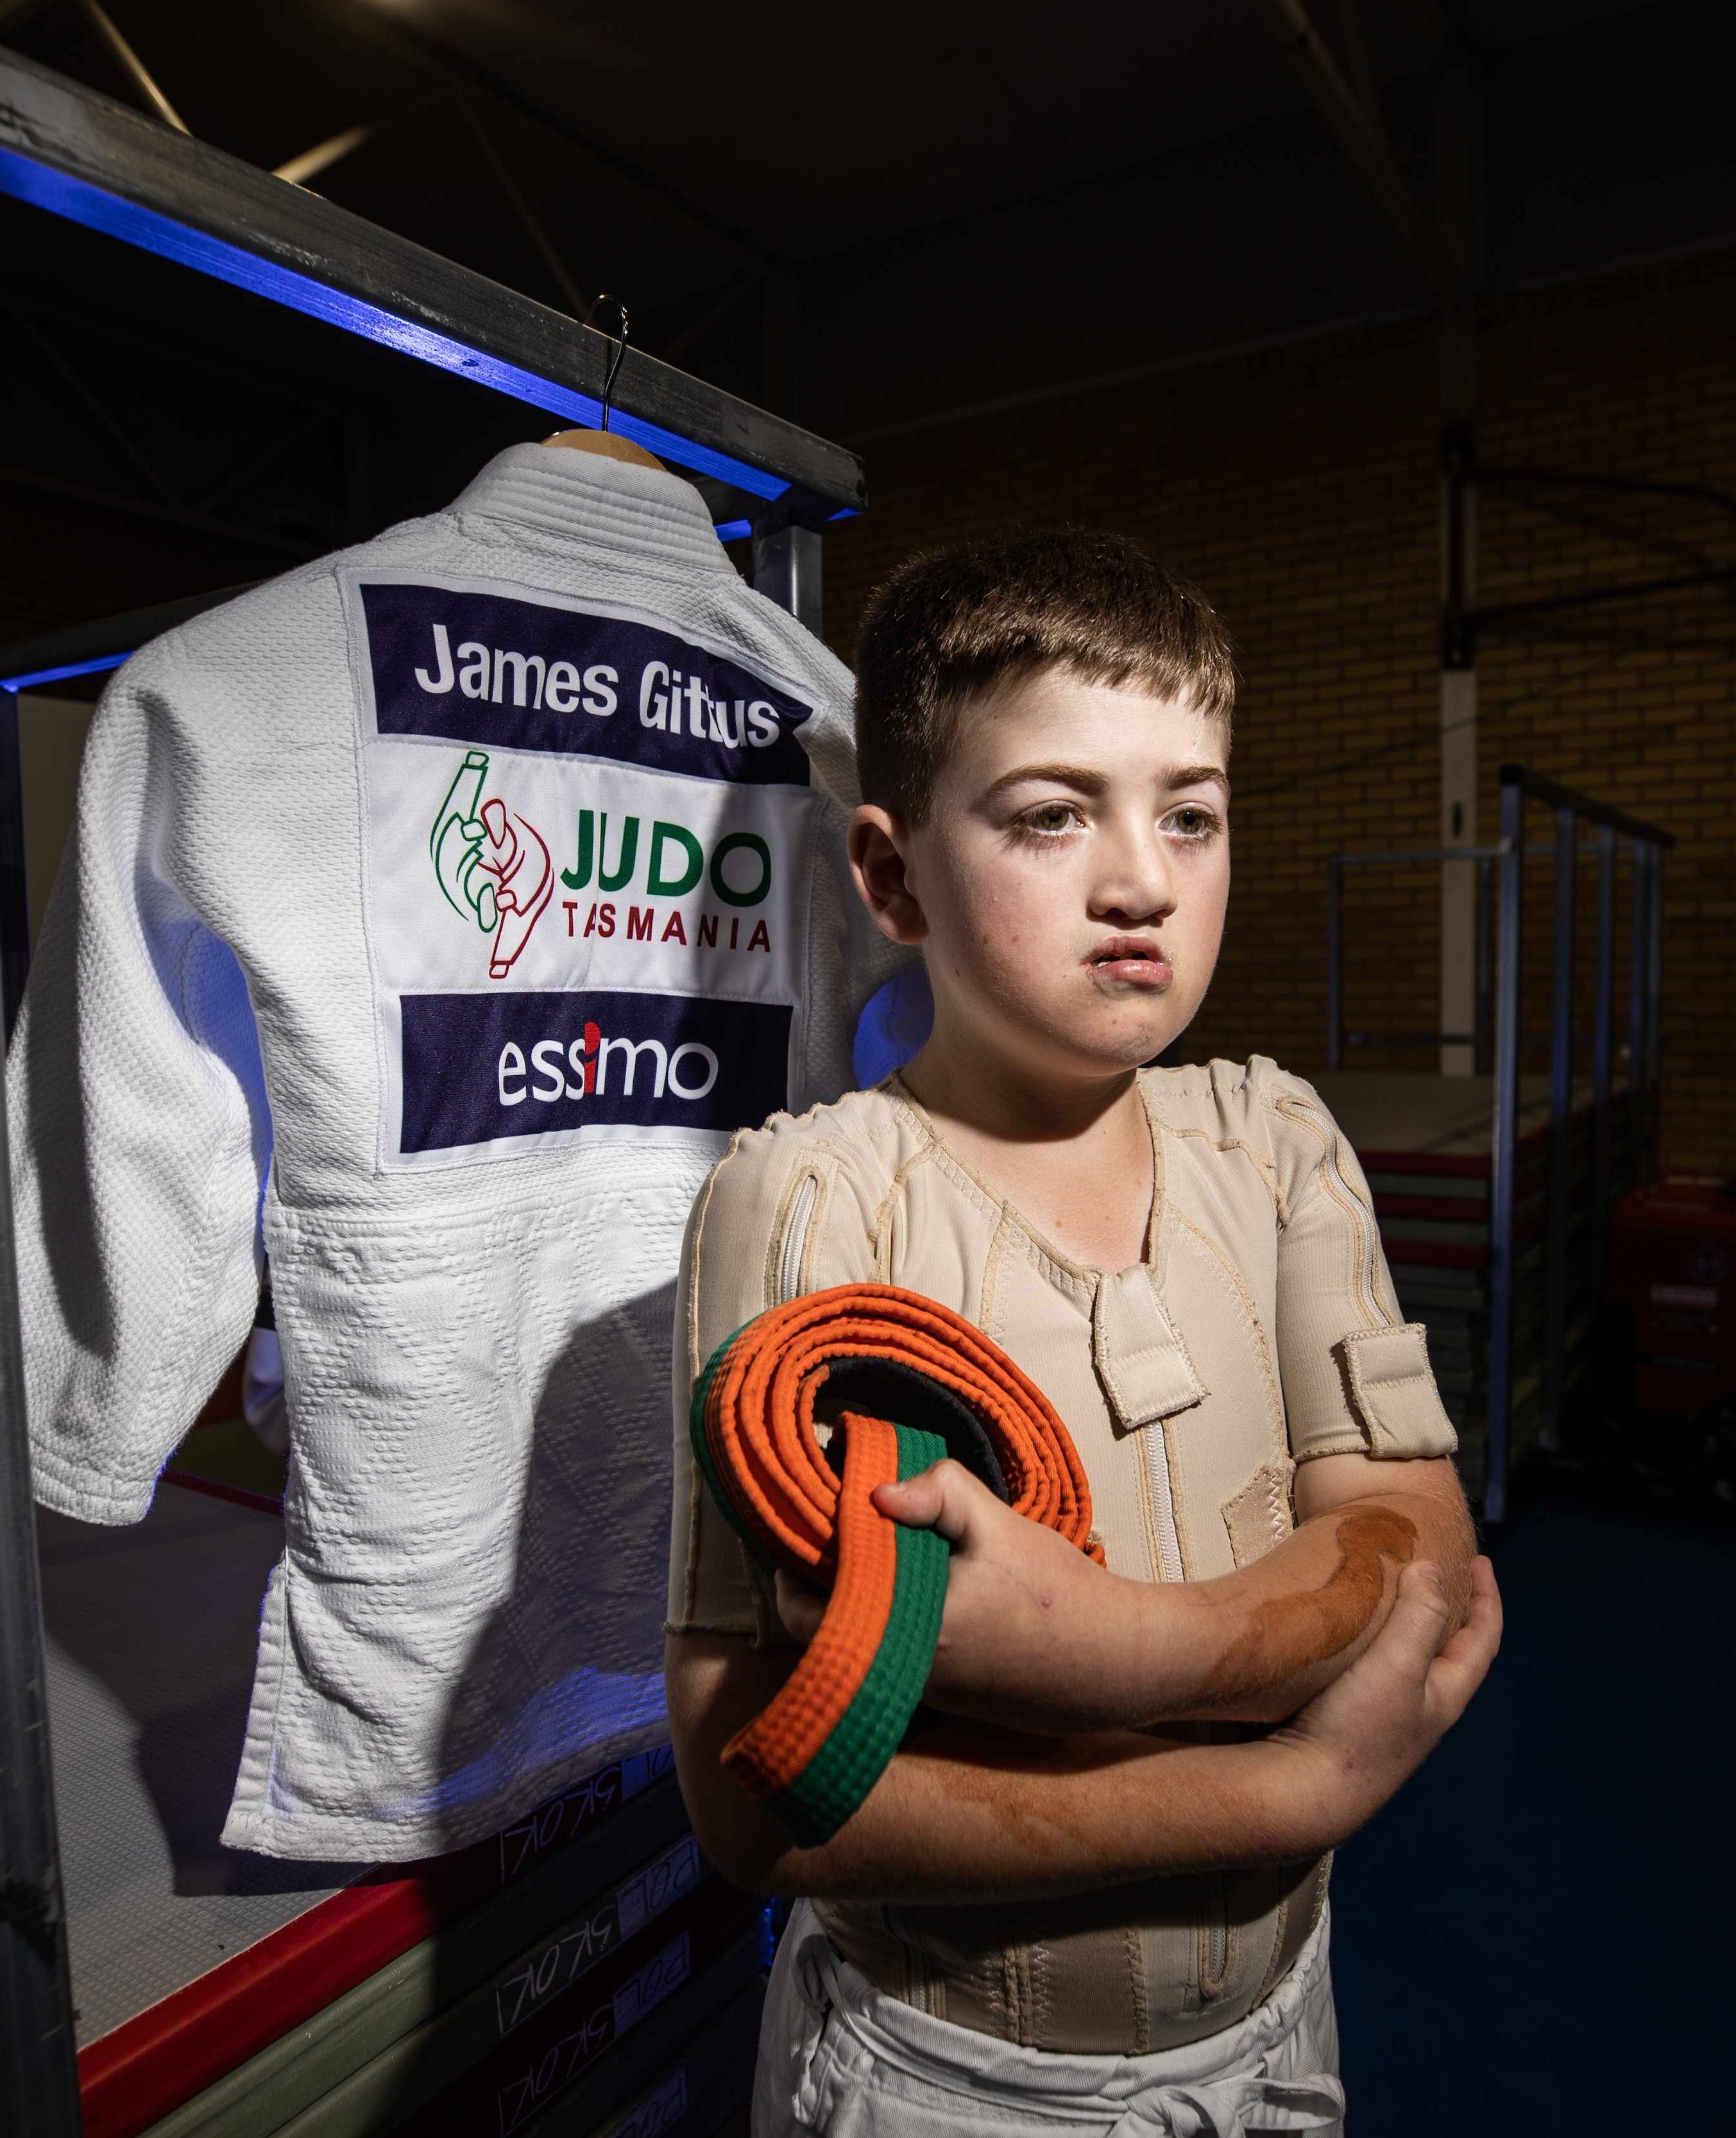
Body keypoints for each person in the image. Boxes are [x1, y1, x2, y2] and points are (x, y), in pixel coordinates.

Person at [663, 529, 1504, 2135]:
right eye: (1053, 813)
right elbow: (755, 1797)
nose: (1143, 880)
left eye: (1190, 812)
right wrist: (1295, 1782)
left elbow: (1417, 1547)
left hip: (1280, 2037)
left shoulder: (1278, 1145)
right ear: (893, 876)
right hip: (945, 2083)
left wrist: (1103, 1648)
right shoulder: (813, 1202)